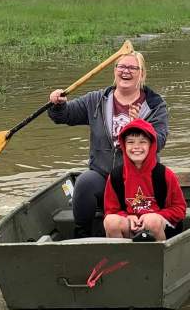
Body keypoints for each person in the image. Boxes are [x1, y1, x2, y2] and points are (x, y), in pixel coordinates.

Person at [47, 50, 169, 238]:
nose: (125, 71)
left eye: (132, 67)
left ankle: (145, 240)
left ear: (142, 74)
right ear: (114, 71)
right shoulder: (96, 100)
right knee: (84, 182)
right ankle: (82, 236)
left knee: (148, 216)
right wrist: (58, 104)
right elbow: (65, 115)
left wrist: (139, 125)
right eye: (121, 66)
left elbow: (159, 142)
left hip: (140, 179)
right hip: (103, 176)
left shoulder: (155, 106)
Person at [103, 118, 185, 241]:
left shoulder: (164, 174)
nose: (136, 147)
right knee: (110, 221)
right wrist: (127, 217)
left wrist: (155, 215)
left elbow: (179, 209)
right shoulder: (116, 176)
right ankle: (122, 258)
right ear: (124, 145)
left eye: (142, 142)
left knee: (151, 221)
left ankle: (158, 257)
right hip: (130, 225)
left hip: (160, 226)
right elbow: (111, 210)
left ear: (151, 145)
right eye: (130, 142)